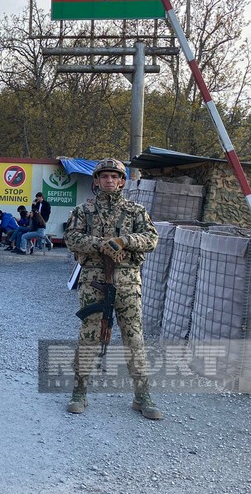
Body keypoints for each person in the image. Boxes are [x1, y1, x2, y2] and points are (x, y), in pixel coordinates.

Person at [64, 158, 160, 420]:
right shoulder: (84, 211)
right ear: (96, 181)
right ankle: (79, 391)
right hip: (94, 279)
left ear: (122, 181)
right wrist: (102, 244)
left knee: (134, 338)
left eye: (114, 176)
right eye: (103, 176)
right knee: (89, 335)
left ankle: (142, 395)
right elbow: (71, 238)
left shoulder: (136, 211)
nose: (109, 180)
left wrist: (124, 240)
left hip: (128, 280)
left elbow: (152, 238)